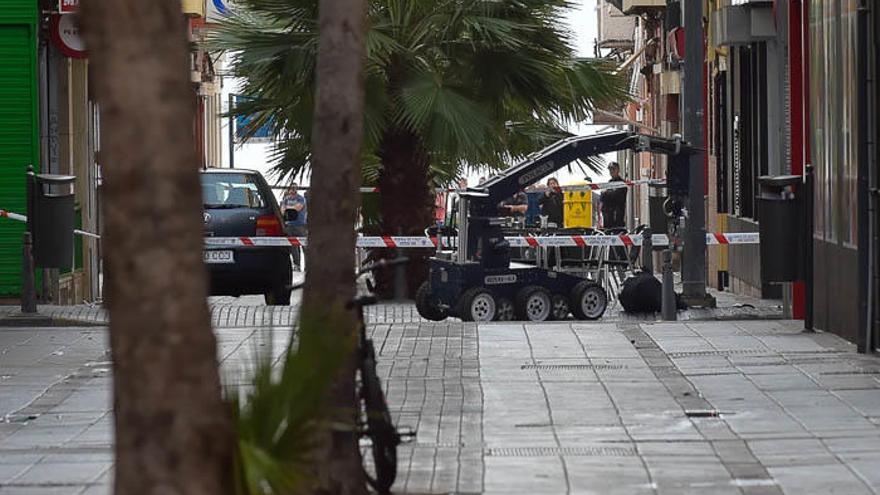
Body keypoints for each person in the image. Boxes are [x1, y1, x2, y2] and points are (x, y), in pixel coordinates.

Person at [282, 183, 307, 271]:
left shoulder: (301, 199)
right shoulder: (286, 199)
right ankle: (297, 265)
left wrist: (287, 208)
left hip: (300, 225)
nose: (292, 190)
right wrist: (288, 208)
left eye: (294, 188)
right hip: (289, 225)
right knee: (293, 247)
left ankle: (308, 266)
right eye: (291, 188)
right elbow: (282, 210)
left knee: (304, 245)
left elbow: (298, 208)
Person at [600, 162, 627, 229]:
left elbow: (617, 196)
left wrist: (606, 193)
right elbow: (602, 197)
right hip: (607, 215)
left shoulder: (622, 183)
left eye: (613, 169)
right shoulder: (609, 182)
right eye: (610, 170)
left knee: (617, 232)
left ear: (618, 170)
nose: (611, 171)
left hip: (617, 215)